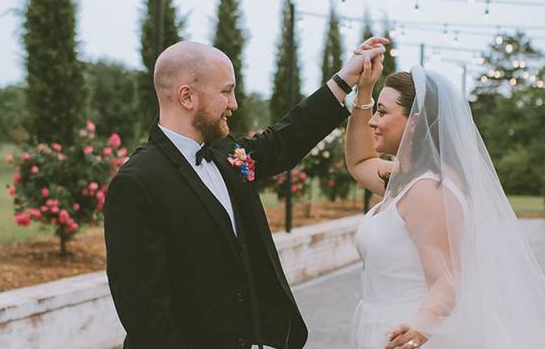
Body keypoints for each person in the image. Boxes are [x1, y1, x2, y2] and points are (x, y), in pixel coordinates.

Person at [104, 40, 385, 349]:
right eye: (226, 91)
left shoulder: (227, 152)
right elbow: (145, 310)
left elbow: (283, 141)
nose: (234, 104)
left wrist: (344, 80)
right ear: (187, 96)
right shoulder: (138, 183)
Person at [344, 38, 545, 348]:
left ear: (414, 122)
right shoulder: (401, 179)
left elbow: (448, 277)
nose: (372, 120)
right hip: (383, 324)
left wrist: (419, 329)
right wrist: (365, 90)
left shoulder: (429, 189)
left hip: (405, 335)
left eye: (382, 112)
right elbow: (359, 161)